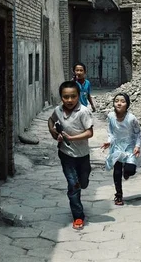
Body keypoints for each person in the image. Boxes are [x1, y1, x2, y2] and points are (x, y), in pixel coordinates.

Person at [48, 81, 94, 230]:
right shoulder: (58, 110)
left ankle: (83, 179)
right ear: (61, 97)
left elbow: (90, 132)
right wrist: (55, 134)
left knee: (83, 182)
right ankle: (78, 216)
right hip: (66, 154)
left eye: (73, 96)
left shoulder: (84, 111)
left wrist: (71, 138)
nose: (69, 100)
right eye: (65, 97)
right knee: (73, 186)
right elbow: (51, 120)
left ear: (78, 96)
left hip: (83, 155)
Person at [101, 93, 141, 206]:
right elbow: (110, 131)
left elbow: (138, 134)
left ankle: (126, 172)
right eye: (116, 100)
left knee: (130, 170)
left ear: (127, 104)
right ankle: (118, 196)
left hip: (130, 146)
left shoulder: (132, 118)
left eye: (122, 101)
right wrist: (109, 141)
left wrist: (137, 146)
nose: (119, 103)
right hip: (117, 146)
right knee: (117, 171)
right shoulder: (111, 116)